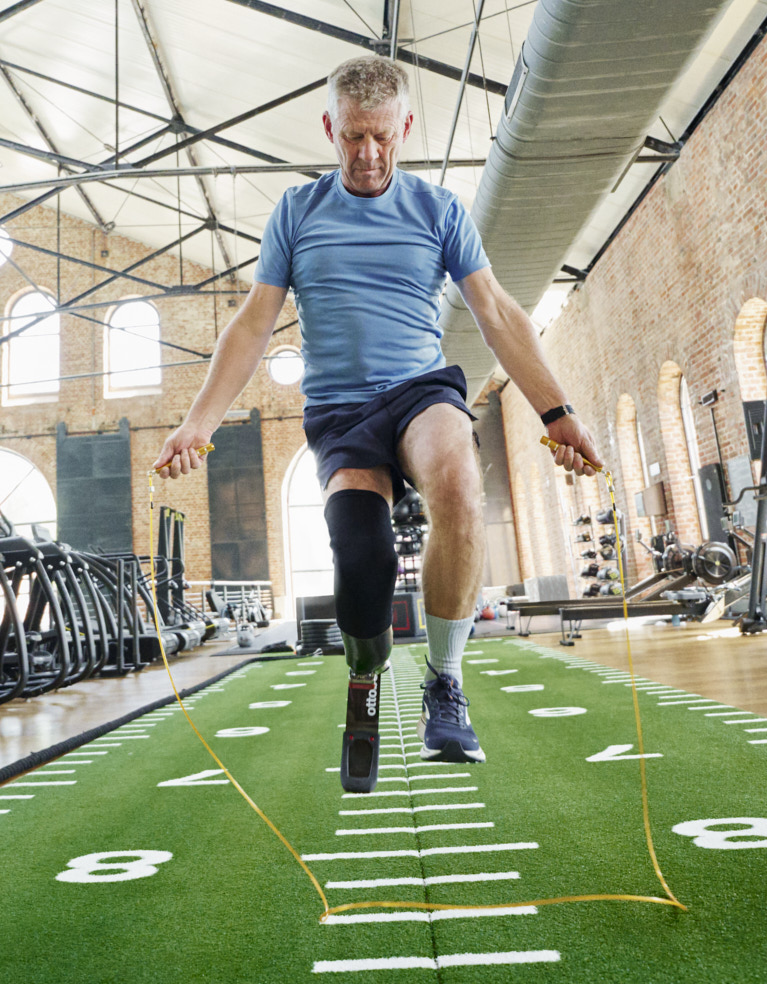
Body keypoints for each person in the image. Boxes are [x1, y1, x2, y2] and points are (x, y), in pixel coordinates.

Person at [156, 55, 602, 792]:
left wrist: (557, 413)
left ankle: (445, 683)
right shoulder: (296, 213)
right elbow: (251, 325)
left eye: (383, 138)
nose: (368, 155)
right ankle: (365, 681)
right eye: (354, 137)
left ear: (406, 129)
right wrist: (197, 424)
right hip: (339, 412)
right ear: (331, 128)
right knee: (358, 556)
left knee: (458, 487)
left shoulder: (438, 209)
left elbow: (496, 313)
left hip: (420, 391)